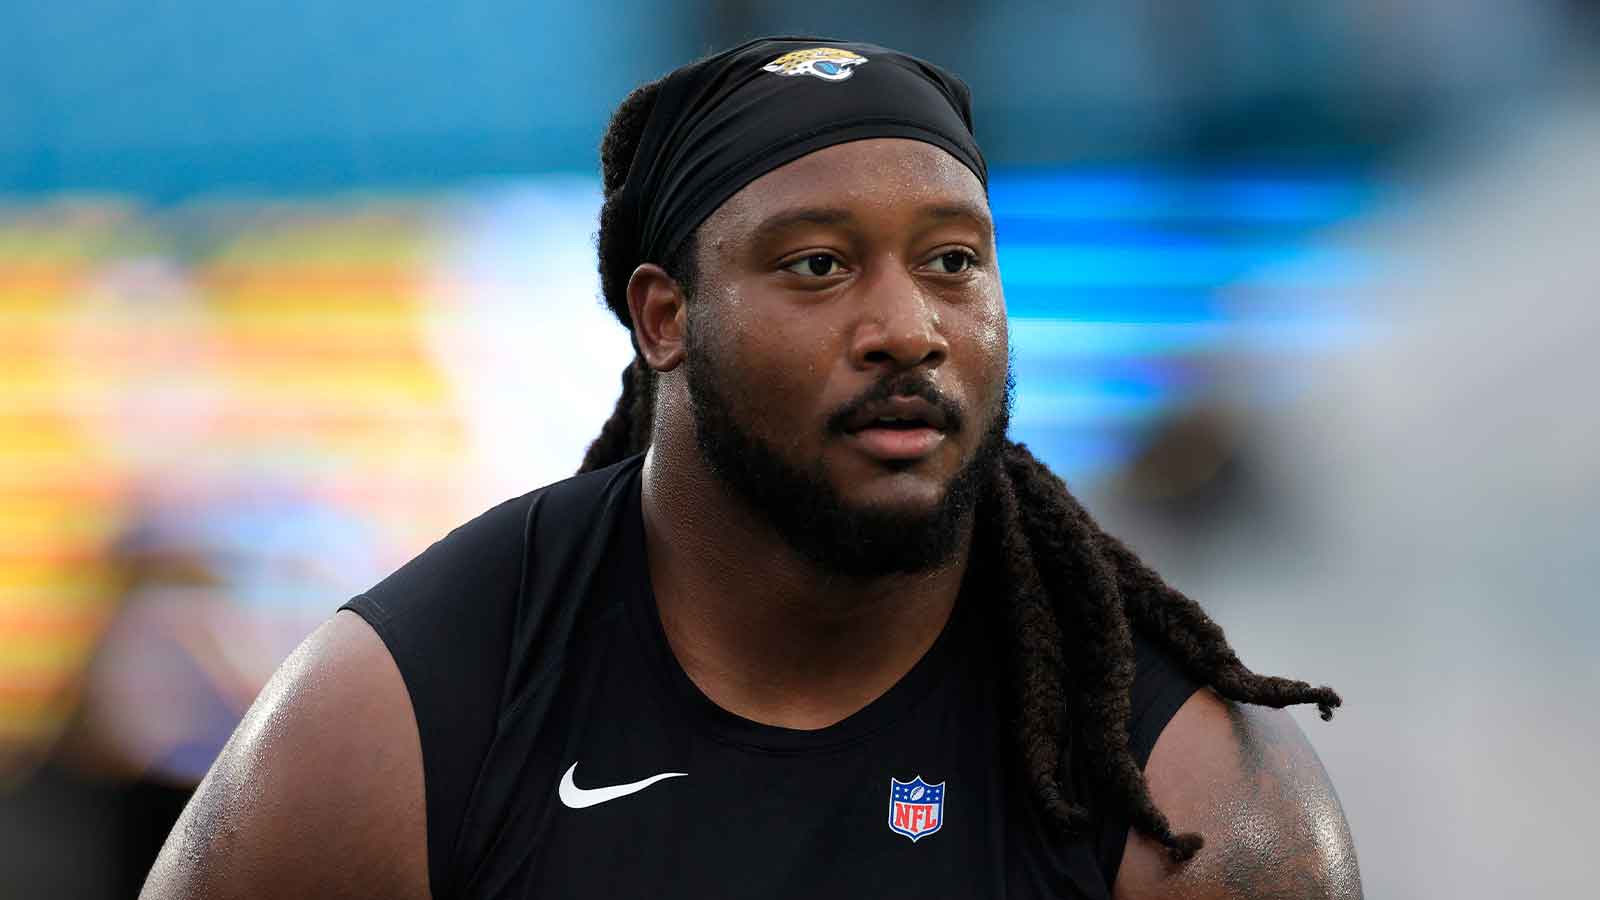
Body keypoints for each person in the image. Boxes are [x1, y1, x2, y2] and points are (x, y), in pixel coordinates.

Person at [142, 37, 1361, 900]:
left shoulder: (1187, 790)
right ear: (664, 320)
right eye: (819, 266)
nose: (909, 326)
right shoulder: (406, 713)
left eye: (951, 263)